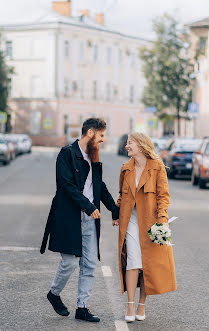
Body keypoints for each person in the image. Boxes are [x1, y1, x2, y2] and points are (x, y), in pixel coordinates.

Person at [40, 118, 119, 323]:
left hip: (90, 219)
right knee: (69, 262)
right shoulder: (67, 153)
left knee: (89, 264)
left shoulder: (94, 156)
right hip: (70, 216)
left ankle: (82, 307)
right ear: (91, 133)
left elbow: (99, 186)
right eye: (101, 135)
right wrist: (89, 206)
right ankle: (54, 293)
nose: (103, 139)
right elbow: (66, 186)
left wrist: (114, 210)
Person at [113, 132, 176, 322]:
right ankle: (130, 305)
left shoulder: (157, 167)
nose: (126, 146)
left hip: (150, 222)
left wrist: (162, 220)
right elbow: (121, 196)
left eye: (130, 143)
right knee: (133, 259)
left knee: (147, 263)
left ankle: (142, 304)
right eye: (127, 143)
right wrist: (116, 214)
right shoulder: (126, 168)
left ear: (141, 145)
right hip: (129, 220)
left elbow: (163, 196)